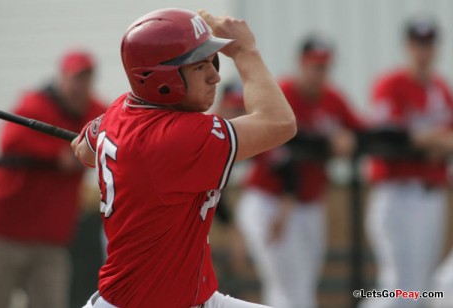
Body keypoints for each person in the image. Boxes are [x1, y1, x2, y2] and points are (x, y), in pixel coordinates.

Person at [73, 8, 296, 308]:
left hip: (183, 298)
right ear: (161, 79)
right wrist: (245, 50)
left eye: (212, 62)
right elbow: (279, 123)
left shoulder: (120, 109)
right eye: (199, 66)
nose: (215, 76)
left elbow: (84, 150)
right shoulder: (180, 137)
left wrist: (99, 138)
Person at [236, 34, 364, 308]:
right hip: (273, 200)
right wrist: (285, 204)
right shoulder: (282, 93)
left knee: (300, 287)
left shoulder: (332, 99)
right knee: (290, 290)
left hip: (309, 204)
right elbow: (281, 152)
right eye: (315, 66)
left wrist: (349, 138)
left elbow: (361, 131)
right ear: (301, 64)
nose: (320, 73)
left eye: (325, 67)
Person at [0, 50, 106, 308]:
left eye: (86, 79)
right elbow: (11, 140)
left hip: (51, 236)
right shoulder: (34, 105)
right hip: (2, 229)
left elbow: (118, 132)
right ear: (62, 78)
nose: (80, 86)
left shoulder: (95, 112)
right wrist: (58, 154)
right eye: (75, 78)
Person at [361, 16, 453, 308]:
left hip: (431, 194)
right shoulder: (392, 83)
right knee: (398, 285)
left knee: (423, 287)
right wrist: (429, 141)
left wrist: (426, 141)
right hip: (397, 192)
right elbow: (387, 139)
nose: (423, 51)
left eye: (428, 44)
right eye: (418, 44)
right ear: (408, 46)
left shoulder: (440, 89)